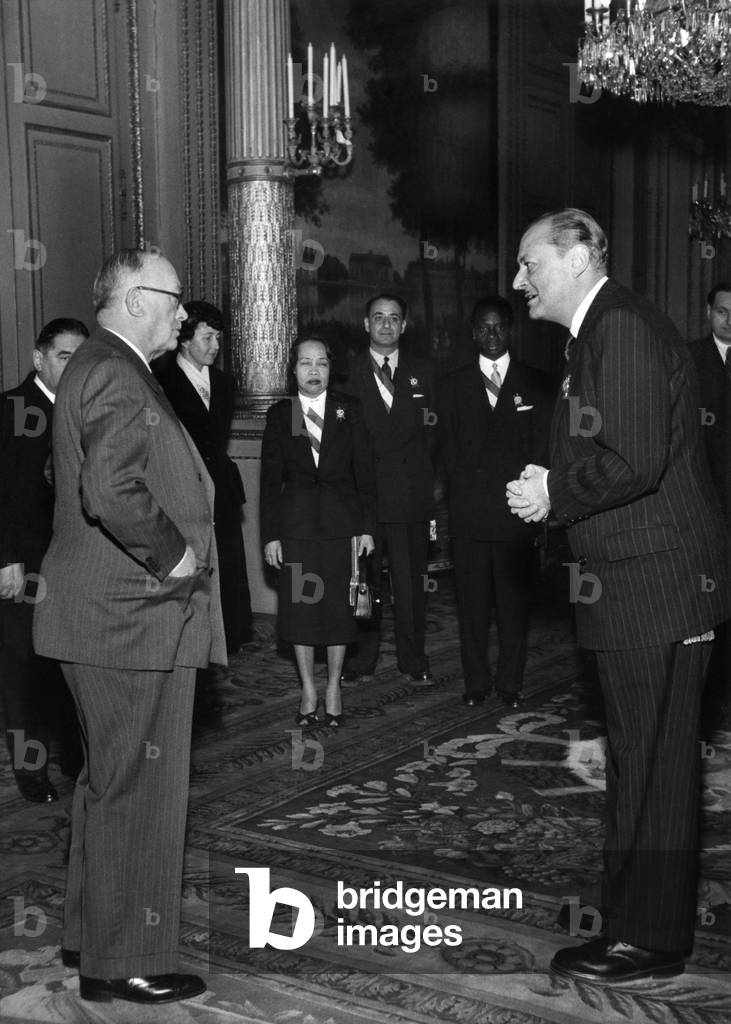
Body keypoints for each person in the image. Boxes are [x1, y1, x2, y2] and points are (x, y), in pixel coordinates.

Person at [506, 208, 729, 984]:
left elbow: (631, 460)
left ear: (573, 257)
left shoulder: (620, 329)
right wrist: (552, 477)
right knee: (644, 761)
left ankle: (647, 940)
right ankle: (639, 926)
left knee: (654, 764)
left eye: (528, 263)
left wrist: (551, 496)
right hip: (637, 580)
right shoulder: (596, 334)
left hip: (654, 581)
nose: (517, 280)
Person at [33, 249, 226, 1005]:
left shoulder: (102, 367)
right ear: (140, 299)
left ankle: (92, 939)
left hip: (106, 617)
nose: (185, 315)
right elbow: (109, 490)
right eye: (177, 301)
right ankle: (124, 963)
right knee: (139, 790)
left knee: (106, 784)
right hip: (129, 617)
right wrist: (174, 556)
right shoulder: (113, 369)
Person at [438, 296, 553, 709]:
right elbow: (445, 450)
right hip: (469, 515)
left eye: (499, 328)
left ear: (511, 331)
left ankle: (509, 683)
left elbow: (542, 448)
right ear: (473, 333)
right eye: (483, 328)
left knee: (512, 608)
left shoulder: (537, 383)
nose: (491, 335)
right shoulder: (451, 384)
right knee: (471, 608)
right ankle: (476, 683)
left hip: (515, 514)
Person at [260, 337, 375, 725]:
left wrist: (367, 529)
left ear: (331, 368)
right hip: (297, 531)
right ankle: (309, 688)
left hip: (343, 530)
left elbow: (365, 476)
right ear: (293, 370)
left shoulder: (348, 410)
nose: (313, 371)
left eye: (321, 363)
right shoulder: (284, 414)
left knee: (339, 612)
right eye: (305, 363)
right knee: (302, 612)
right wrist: (271, 535)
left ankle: (334, 687)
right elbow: (269, 481)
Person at [0, 319, 87, 802]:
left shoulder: (82, 409)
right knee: (22, 669)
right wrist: (6, 558)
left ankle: (76, 759)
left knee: (68, 663)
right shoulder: (12, 408)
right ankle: (30, 770)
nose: (73, 367)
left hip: (72, 560)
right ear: (39, 359)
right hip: (24, 563)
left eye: (80, 357)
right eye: (63, 357)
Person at [341, 293, 437, 682]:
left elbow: (434, 436)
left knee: (411, 584)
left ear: (404, 325)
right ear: (365, 324)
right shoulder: (347, 374)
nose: (385, 325)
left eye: (393, 318)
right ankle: (362, 659)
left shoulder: (424, 373)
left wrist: (424, 487)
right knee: (364, 583)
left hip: (408, 497)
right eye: (378, 318)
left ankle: (413, 660)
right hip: (363, 500)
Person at [156, 300, 253, 653]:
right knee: (192, 565)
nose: (215, 346)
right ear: (184, 339)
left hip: (221, 488)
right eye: (208, 337)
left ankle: (231, 638)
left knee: (226, 561)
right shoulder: (161, 381)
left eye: (218, 339)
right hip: (183, 488)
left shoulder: (224, 383)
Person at [688, 283, 731, 709]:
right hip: (706, 502)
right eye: (723, 311)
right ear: (708, 313)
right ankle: (709, 688)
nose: (730, 320)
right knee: (710, 599)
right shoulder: (689, 360)